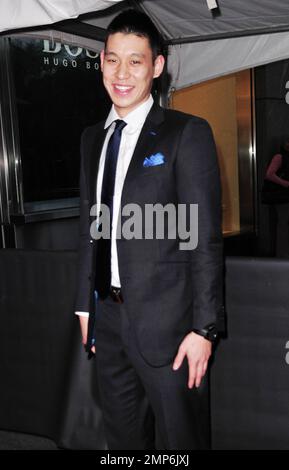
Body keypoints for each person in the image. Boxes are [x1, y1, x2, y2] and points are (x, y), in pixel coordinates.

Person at [75, 9, 224, 450]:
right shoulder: (91, 139)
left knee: (182, 445)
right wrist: (86, 307)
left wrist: (205, 329)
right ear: (101, 62)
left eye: (135, 61)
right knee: (122, 444)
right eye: (112, 59)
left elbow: (202, 237)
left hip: (173, 329)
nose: (122, 73)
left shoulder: (186, 133)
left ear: (156, 67)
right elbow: (91, 228)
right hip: (109, 322)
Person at [262, 139, 289, 257]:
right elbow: (269, 174)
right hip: (282, 196)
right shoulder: (279, 156)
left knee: (284, 225)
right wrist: (285, 183)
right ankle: (282, 255)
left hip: (285, 195)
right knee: (283, 225)